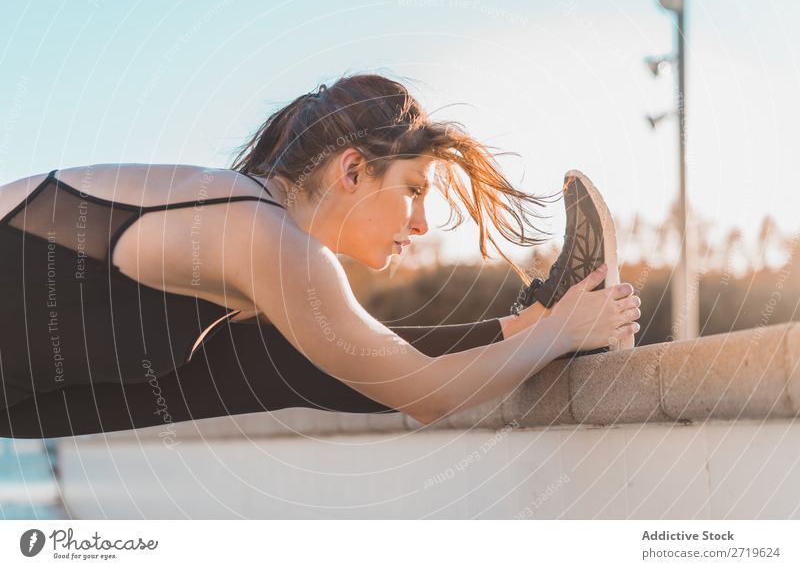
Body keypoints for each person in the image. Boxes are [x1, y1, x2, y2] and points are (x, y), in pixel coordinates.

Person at [0, 73, 640, 439]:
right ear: (353, 170)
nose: (420, 223)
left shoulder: (249, 225)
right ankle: (548, 321)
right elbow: (424, 395)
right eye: (413, 190)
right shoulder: (265, 238)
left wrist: (542, 333)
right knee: (285, 360)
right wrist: (562, 334)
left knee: (285, 359)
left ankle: (530, 322)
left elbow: (377, 360)